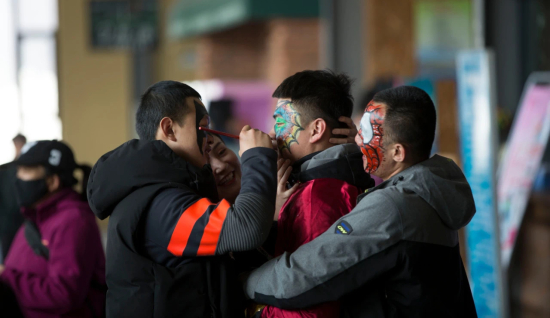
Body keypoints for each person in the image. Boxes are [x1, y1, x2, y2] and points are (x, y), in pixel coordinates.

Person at [244, 86, 478, 318]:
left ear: (397, 152)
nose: (356, 139)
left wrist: (243, 279)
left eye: (366, 134)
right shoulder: (429, 190)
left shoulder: (395, 206)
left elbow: (306, 274)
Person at [86, 80, 277, 318]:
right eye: (203, 127)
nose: (209, 138)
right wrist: (257, 156)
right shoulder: (160, 205)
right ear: (169, 129)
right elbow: (247, 228)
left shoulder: (167, 191)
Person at [248, 70, 373, 318]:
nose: (273, 135)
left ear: (317, 129)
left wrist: (258, 313)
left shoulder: (316, 195)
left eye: (280, 122)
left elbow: (313, 308)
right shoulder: (344, 178)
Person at [0, 140, 106, 318]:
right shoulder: (37, 216)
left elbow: (63, 294)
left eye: (25, 171)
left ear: (52, 182)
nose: (17, 178)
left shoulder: (73, 221)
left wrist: (7, 277)